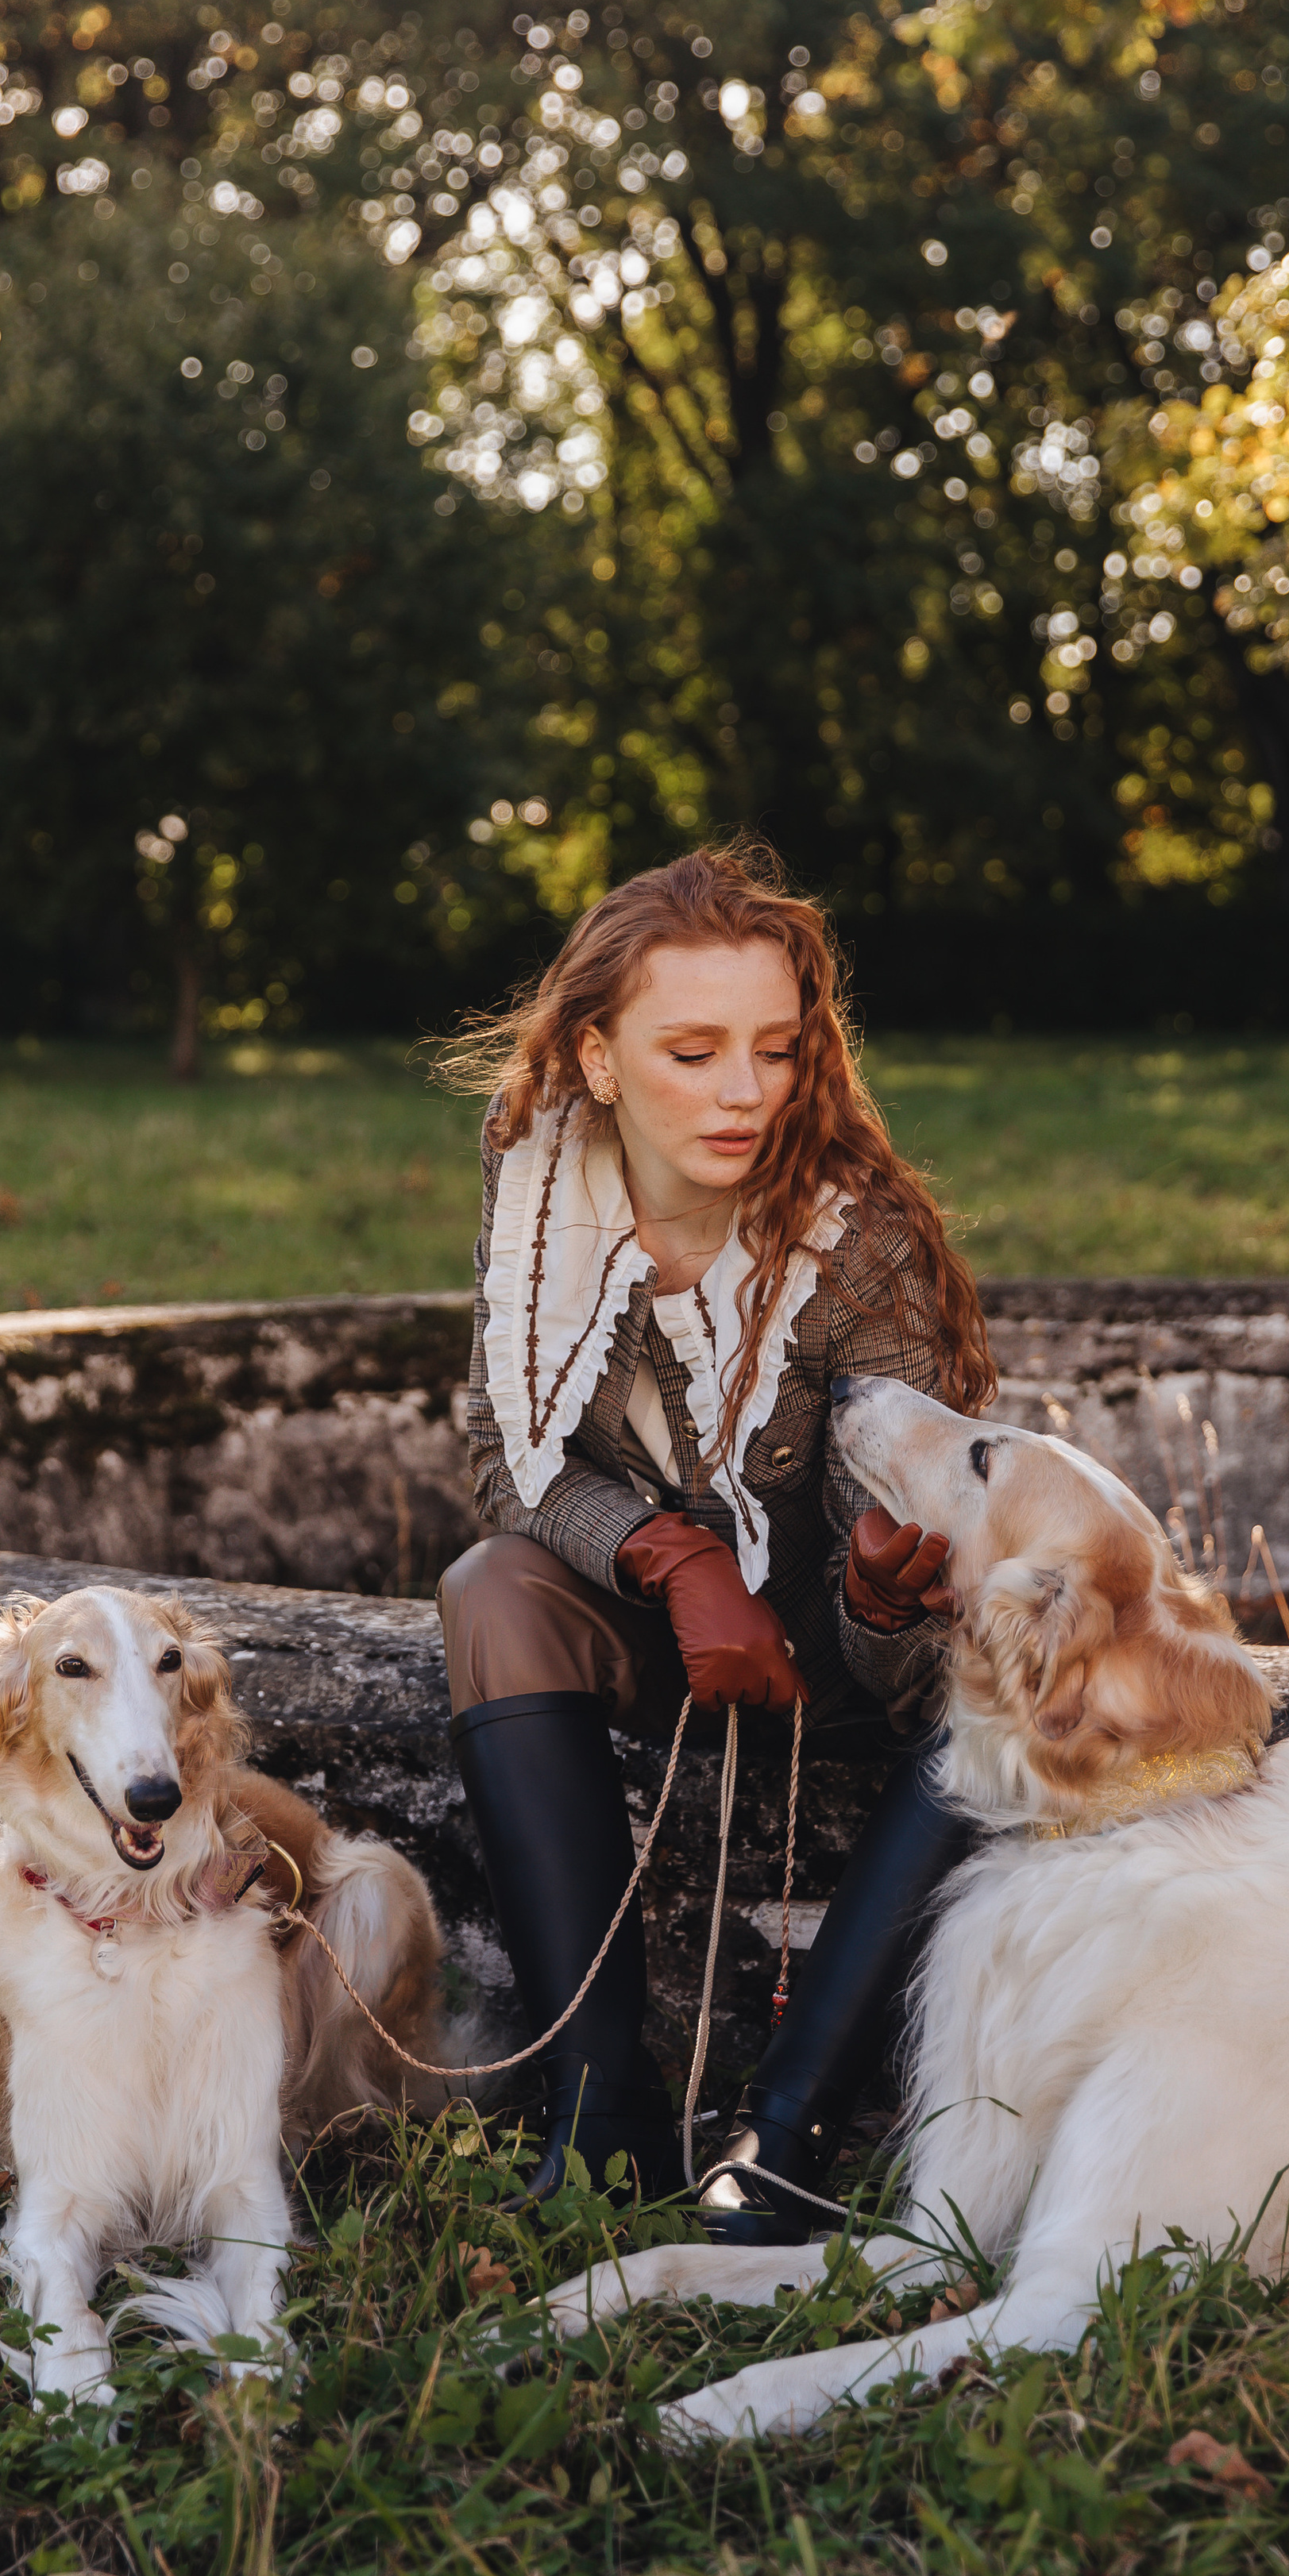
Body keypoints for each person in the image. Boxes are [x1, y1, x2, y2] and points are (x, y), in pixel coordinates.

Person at [434, 840, 999, 2242]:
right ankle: (599, 2110)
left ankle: (791, 2135)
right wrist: (670, 1559)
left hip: (866, 1659)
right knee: (490, 1589)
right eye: (693, 1050)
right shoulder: (540, 1187)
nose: (744, 1093)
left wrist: (874, 1593)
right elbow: (506, 1457)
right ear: (600, 1058)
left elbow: (927, 1563)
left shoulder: (852, 1242)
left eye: (775, 1049)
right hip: (674, 1626)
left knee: (997, 1693)